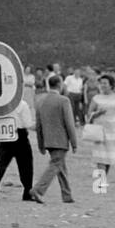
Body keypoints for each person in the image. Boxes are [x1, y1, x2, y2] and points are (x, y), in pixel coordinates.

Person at [30, 74, 78, 204]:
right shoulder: (64, 101)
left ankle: (67, 195)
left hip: (48, 141)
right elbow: (70, 124)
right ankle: (38, 189)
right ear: (60, 85)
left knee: (60, 166)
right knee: (56, 164)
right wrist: (74, 142)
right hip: (60, 140)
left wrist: (41, 144)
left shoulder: (40, 101)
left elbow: (38, 125)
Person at [0, 95, 35, 200]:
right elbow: (27, 123)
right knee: (26, 165)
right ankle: (27, 191)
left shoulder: (2, 104)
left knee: (1, 163)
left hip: (5, 133)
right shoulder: (22, 104)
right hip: (20, 135)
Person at [85, 73, 115, 180]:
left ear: (111, 85)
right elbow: (89, 114)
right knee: (100, 159)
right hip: (99, 132)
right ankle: (99, 185)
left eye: (105, 83)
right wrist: (97, 114)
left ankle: (103, 180)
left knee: (109, 158)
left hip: (112, 132)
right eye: (101, 83)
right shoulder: (96, 98)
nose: (102, 85)